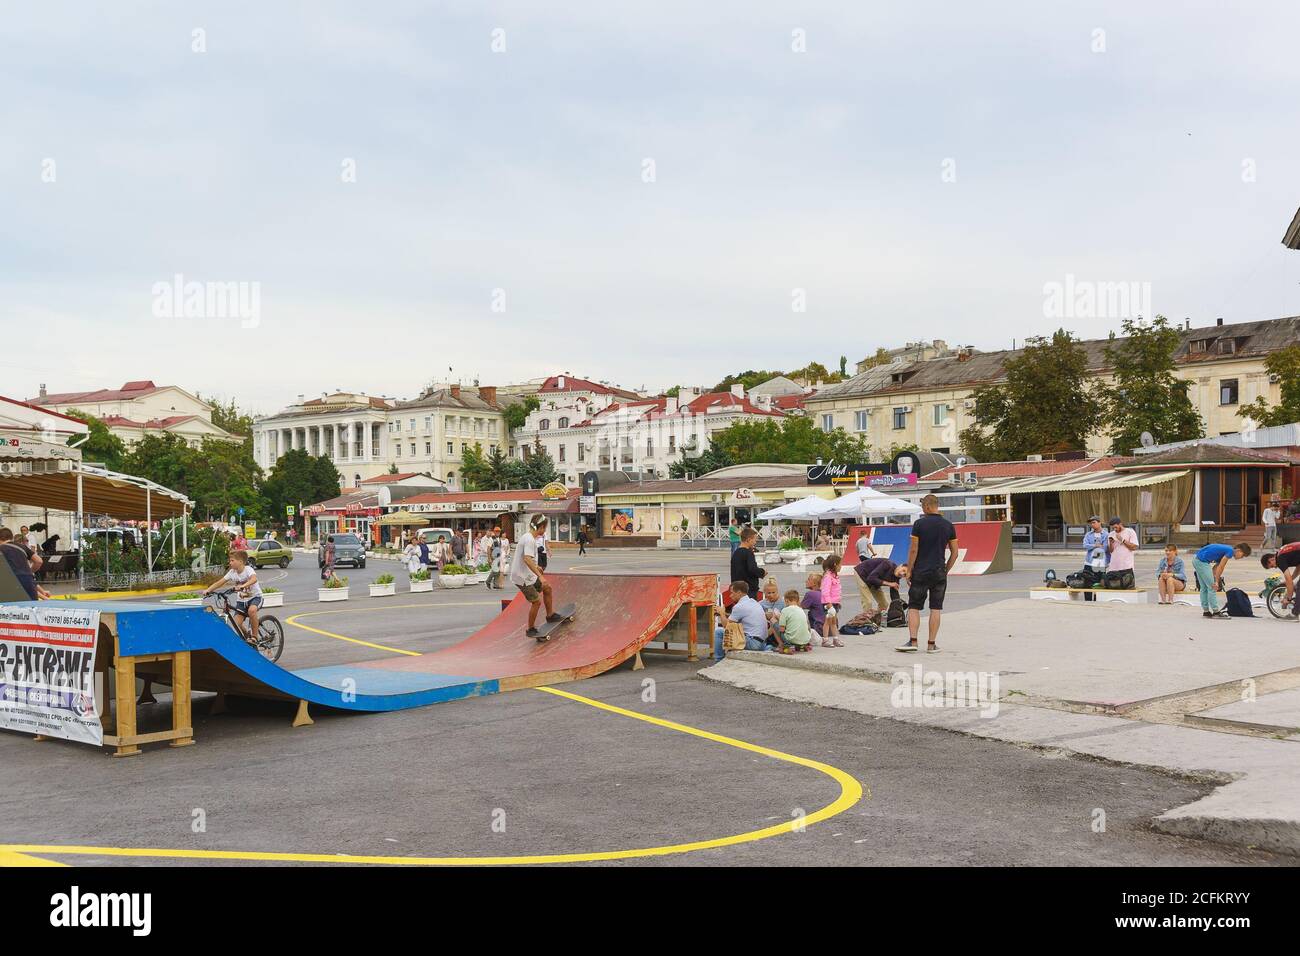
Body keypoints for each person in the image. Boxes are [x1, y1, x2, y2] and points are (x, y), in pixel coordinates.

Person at [897, 494, 958, 653]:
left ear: (928, 506)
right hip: (939, 572)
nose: (923, 510)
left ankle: (913, 642)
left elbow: (914, 549)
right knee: (936, 608)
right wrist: (945, 571)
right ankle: (931, 645)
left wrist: (909, 570)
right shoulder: (948, 525)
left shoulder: (919, 524)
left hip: (921, 571)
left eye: (923, 506)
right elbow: (955, 553)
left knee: (914, 607)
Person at [510, 515, 562, 639]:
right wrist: (540, 575)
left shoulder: (529, 537)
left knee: (547, 588)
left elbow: (529, 558)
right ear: (542, 527)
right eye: (545, 528)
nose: (545, 532)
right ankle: (530, 629)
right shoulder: (529, 540)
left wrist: (537, 566)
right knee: (536, 602)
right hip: (522, 577)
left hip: (528, 574)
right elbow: (527, 559)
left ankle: (550, 615)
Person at [204, 550, 263, 641]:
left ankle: (255, 636)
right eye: (230, 561)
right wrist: (208, 590)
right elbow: (220, 582)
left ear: (240, 562)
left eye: (232, 560)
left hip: (255, 598)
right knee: (236, 623)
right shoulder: (232, 572)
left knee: (252, 611)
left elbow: (254, 579)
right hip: (241, 601)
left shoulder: (248, 570)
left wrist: (243, 586)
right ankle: (247, 634)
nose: (230, 563)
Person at [712, 581, 770, 660]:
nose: (730, 596)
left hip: (752, 643)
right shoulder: (753, 602)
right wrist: (724, 614)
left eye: (732, 593)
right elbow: (737, 618)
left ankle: (718, 661)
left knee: (718, 632)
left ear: (739, 593)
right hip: (762, 643)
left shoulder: (739, 607)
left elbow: (727, 627)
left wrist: (722, 613)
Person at [1192, 541, 1251, 618]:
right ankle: (1216, 612)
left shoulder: (1227, 549)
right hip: (1202, 562)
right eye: (1242, 556)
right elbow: (1221, 567)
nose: (1241, 558)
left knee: (1204, 588)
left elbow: (1215, 568)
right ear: (1239, 550)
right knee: (1212, 587)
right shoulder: (1230, 551)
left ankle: (1206, 611)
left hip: (1197, 559)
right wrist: (1216, 581)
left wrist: (1213, 578)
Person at [0, 528, 44, 600]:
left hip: (10, 583)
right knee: (33, 607)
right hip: (28, 580)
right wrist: (29, 571)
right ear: (11, 537)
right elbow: (39, 561)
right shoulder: (22, 547)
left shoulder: (1, 548)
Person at [1260, 542, 1300, 619]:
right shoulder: (1282, 553)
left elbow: (1288, 581)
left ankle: (1294, 614)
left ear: (1271, 559)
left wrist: (1288, 598)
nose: (1275, 567)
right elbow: (1299, 567)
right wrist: (1290, 579)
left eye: (1272, 566)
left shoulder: (1280, 559)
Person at [729, 526, 765, 599]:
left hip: (737, 588)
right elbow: (752, 569)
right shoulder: (748, 553)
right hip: (748, 589)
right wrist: (762, 572)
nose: (755, 542)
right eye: (754, 540)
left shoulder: (736, 553)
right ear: (748, 540)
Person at [777, 589, 813, 653]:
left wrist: (778, 619)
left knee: (774, 623)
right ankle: (801, 646)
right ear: (798, 600)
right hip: (805, 639)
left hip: (792, 639)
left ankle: (786, 645)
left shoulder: (785, 610)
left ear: (786, 600)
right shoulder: (801, 610)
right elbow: (808, 626)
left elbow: (782, 629)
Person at [819, 555, 843, 646]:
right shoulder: (828, 576)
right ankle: (825, 640)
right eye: (840, 564)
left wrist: (837, 603)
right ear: (835, 564)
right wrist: (829, 605)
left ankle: (835, 639)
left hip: (835, 603)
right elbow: (825, 592)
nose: (841, 566)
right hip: (829, 604)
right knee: (828, 621)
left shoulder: (834, 576)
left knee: (834, 621)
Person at [800, 571, 827, 639]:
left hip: (819, 629)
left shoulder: (811, 594)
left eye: (808, 579)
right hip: (828, 628)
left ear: (814, 583)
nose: (806, 581)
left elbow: (799, 607)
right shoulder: (823, 593)